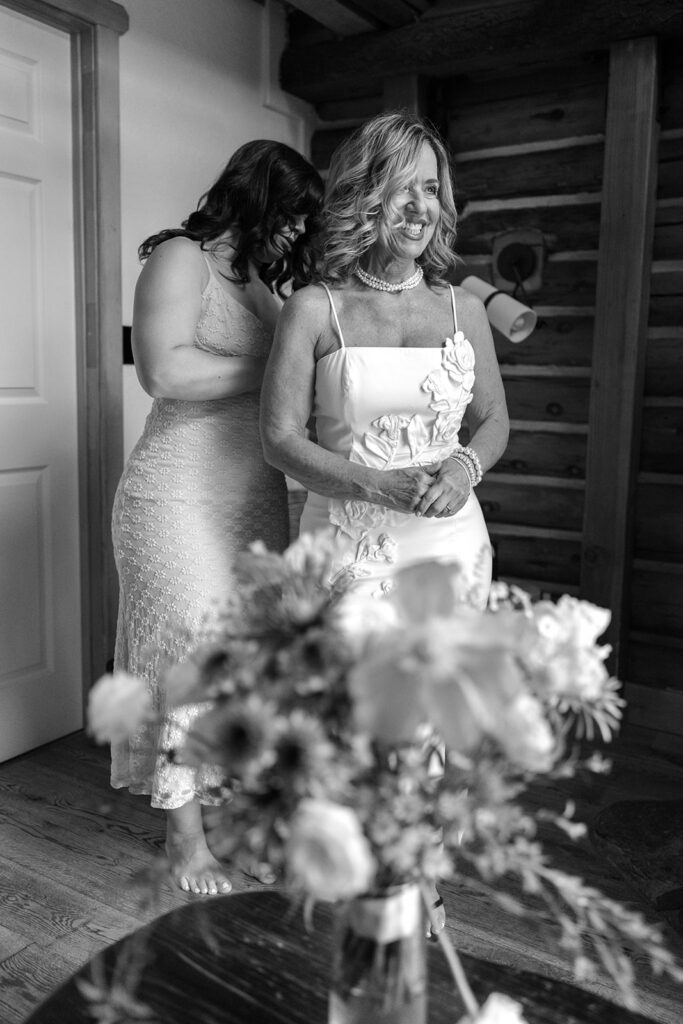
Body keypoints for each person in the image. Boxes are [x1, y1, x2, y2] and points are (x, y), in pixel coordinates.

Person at [259, 111, 509, 937]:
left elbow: (494, 423)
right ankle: (380, 884)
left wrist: (464, 468)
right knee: (369, 723)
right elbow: (279, 439)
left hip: (448, 539)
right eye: (401, 188)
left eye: (430, 189)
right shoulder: (314, 309)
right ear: (365, 196)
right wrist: (373, 482)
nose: (419, 208)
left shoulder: (461, 309)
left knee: (442, 724)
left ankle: (414, 878)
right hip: (354, 541)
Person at [111, 141, 323, 896]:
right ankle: (185, 842)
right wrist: (278, 366)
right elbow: (164, 371)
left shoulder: (264, 284)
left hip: (252, 499)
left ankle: (228, 815)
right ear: (255, 196)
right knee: (192, 654)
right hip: (174, 496)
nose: (299, 232)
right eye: (292, 213)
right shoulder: (181, 258)